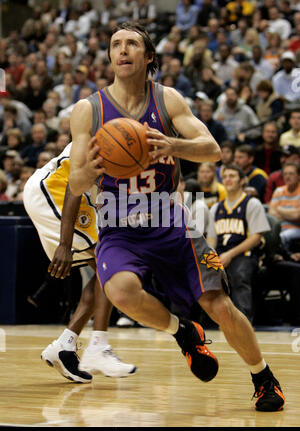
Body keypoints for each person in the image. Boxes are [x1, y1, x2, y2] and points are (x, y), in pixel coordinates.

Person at [68, 22, 285, 411]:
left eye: (131, 43)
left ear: (148, 56)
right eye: (115, 44)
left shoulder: (167, 100)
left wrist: (174, 144)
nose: (122, 50)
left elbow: (213, 149)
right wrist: (95, 168)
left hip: (170, 220)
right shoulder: (89, 109)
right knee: (119, 291)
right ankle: (183, 331)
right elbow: (77, 183)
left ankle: (264, 377)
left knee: (218, 305)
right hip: (119, 223)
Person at [23, 142, 136, 382]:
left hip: (66, 195)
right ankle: (97, 345)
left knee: (108, 272)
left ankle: (65, 345)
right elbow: (74, 188)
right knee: (110, 267)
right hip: (53, 189)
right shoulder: (109, 133)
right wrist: (64, 245)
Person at [206, 164, 270, 323]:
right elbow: (211, 239)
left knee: (239, 274)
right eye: (225, 176)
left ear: (242, 181)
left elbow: (256, 237)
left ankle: (243, 322)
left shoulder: (252, 203)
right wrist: (210, 259)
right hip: (221, 254)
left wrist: (229, 255)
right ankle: (205, 322)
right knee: (203, 273)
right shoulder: (216, 208)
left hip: (245, 254)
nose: (228, 179)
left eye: (232, 176)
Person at [268, 161, 300, 253]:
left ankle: (288, 258)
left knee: (282, 237)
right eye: (285, 174)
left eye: (291, 174)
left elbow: (297, 215)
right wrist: (291, 212)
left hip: (296, 229)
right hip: (279, 227)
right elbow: (271, 214)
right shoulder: (279, 191)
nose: (287, 176)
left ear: (298, 176)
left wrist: (279, 209)